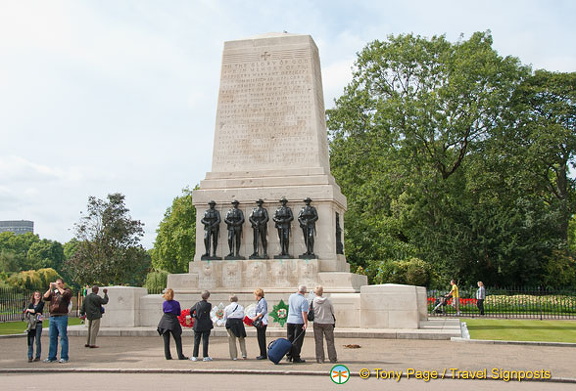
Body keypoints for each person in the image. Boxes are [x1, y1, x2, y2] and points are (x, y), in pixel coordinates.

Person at [43, 278, 73, 363]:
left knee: (63, 336)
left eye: (59, 283)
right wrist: (50, 288)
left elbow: (66, 295)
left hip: (61, 316)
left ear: (63, 284)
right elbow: (45, 297)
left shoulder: (67, 291)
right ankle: (51, 356)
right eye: (56, 284)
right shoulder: (54, 293)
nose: (57, 285)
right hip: (52, 317)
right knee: (52, 337)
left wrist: (59, 288)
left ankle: (64, 356)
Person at [157, 288, 187, 360]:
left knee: (166, 340)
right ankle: (180, 355)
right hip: (173, 321)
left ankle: (168, 356)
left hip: (164, 321)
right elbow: (178, 313)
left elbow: (164, 310)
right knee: (177, 339)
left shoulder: (164, 303)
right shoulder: (176, 303)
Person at [312, 286, 337, 363]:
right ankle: (332, 358)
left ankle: (320, 359)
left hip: (317, 322)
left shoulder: (313, 301)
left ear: (315, 293)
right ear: (322, 292)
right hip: (328, 322)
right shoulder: (328, 300)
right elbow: (332, 311)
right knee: (330, 341)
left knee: (318, 342)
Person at [286, 285, 309, 363]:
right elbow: (304, 313)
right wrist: (305, 323)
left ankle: (289, 356)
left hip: (289, 320)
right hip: (298, 321)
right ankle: (296, 357)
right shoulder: (304, 300)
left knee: (290, 339)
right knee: (297, 340)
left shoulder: (291, 296)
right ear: (305, 292)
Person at [189, 290, 214, 362]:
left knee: (196, 340)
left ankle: (195, 356)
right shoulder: (209, 305)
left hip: (198, 323)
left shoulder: (197, 304)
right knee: (205, 340)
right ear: (208, 297)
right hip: (206, 324)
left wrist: (193, 316)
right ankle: (205, 356)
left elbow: (191, 310)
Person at [223, 295, 247, 361]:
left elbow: (225, 317)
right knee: (241, 339)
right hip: (239, 323)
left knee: (232, 340)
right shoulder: (241, 307)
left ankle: (234, 356)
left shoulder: (227, 307)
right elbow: (243, 316)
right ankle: (244, 354)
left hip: (230, 323)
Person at [24, 291, 44, 362]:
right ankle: (30, 356)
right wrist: (32, 311)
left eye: (39, 295)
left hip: (38, 323)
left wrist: (30, 310)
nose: (37, 296)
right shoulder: (31, 304)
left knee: (37, 340)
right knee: (30, 340)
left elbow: (36, 310)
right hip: (31, 324)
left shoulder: (41, 303)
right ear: (33, 296)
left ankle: (37, 356)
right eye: (36, 295)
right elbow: (28, 313)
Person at [251, 288, 268, 360]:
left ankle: (263, 354)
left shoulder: (262, 301)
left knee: (261, 338)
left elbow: (264, 311)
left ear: (258, 295)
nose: (254, 297)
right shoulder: (260, 301)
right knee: (260, 338)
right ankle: (262, 353)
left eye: (255, 295)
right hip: (260, 321)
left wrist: (256, 317)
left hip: (261, 321)